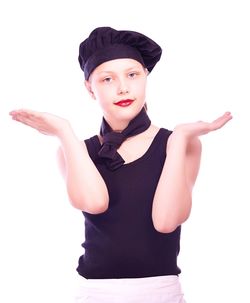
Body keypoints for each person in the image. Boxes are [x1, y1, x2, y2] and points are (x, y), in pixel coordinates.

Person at [9, 26, 232, 303]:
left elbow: (166, 221)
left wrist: (180, 138)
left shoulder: (181, 143)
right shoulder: (75, 151)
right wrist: (64, 132)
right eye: (107, 79)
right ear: (89, 88)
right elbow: (95, 202)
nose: (123, 87)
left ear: (145, 77)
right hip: (95, 294)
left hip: (162, 293)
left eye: (132, 74)